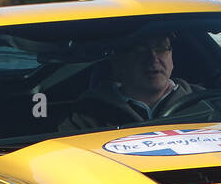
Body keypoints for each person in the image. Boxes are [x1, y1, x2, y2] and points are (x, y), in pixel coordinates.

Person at [59, 32, 209, 132]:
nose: (153, 58)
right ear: (118, 62)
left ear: (171, 56)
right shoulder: (88, 116)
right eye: (139, 50)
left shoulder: (206, 102)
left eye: (160, 47)